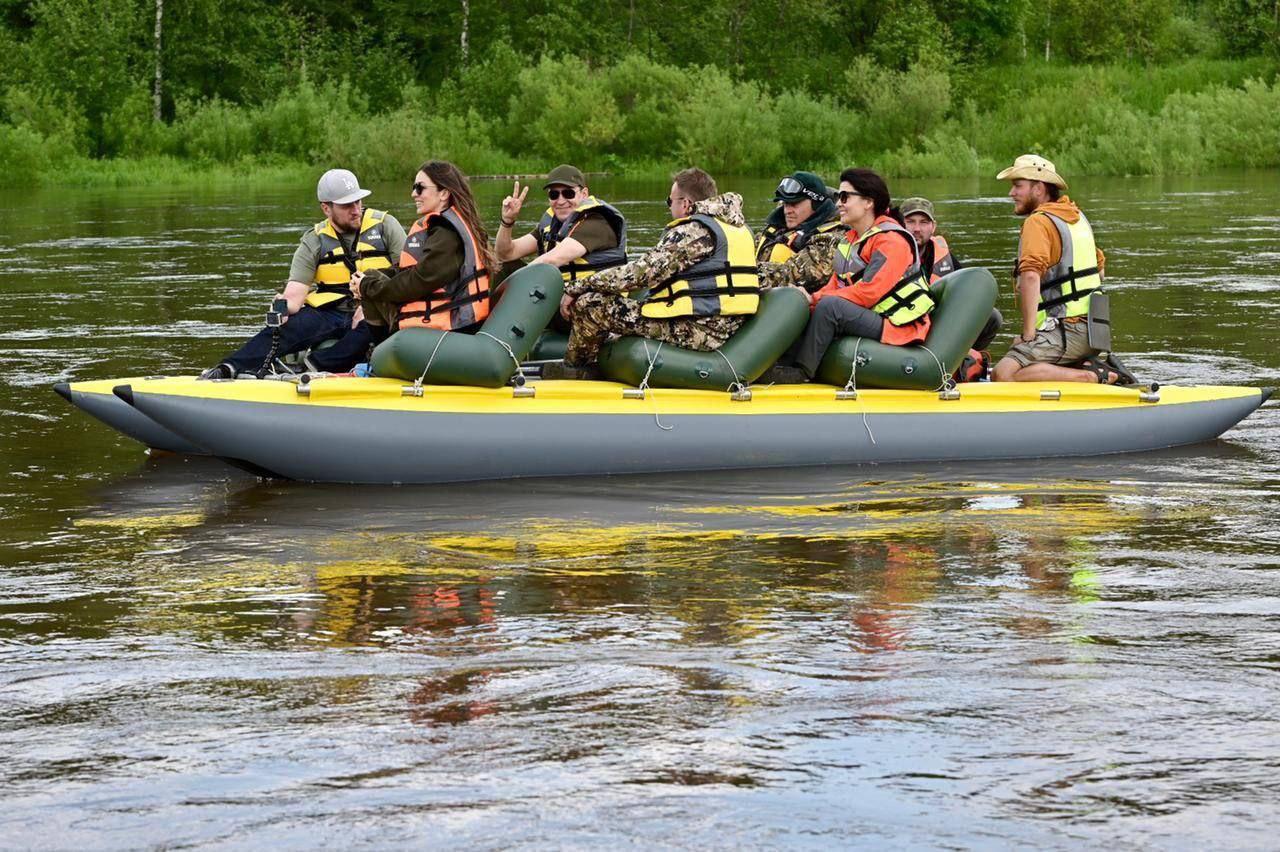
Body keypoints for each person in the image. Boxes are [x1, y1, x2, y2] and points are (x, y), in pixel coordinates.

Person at [551, 167, 760, 377]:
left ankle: (574, 372)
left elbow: (639, 274)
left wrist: (578, 286)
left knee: (591, 304)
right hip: (724, 327)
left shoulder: (693, 231)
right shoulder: (739, 230)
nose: (669, 208)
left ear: (685, 204)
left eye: (670, 202)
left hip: (697, 330)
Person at [199, 169, 406, 379]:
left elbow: (408, 277)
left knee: (367, 331)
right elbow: (295, 294)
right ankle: (228, 368)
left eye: (358, 202)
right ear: (326, 208)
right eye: (346, 205)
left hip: (376, 307)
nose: (356, 210)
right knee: (285, 328)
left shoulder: (386, 226)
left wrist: (369, 306)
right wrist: (282, 306)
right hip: (330, 313)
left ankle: (311, 368)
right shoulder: (314, 240)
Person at [786, 168, 936, 381]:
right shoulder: (851, 239)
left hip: (896, 325)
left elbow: (869, 293)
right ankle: (782, 363)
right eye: (838, 197)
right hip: (872, 316)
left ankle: (802, 374)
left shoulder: (891, 241)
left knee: (830, 307)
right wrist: (807, 299)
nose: (838, 203)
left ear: (868, 202)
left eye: (845, 197)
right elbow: (834, 285)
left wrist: (817, 299)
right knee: (811, 303)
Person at [990, 154, 1121, 384]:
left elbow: (1030, 277)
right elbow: (1099, 272)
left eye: (1018, 186)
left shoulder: (1038, 222)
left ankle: (1091, 376)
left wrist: (1028, 336)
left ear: (1038, 188)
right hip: (1095, 330)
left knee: (1003, 373)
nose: (1011, 193)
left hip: (1068, 330)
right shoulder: (1076, 217)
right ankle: (1083, 368)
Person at [349, 160, 493, 340]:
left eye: (420, 188)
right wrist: (364, 280)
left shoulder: (448, 234)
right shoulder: (444, 226)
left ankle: (381, 352)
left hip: (453, 325)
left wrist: (367, 287)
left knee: (370, 285)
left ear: (444, 193)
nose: (413, 194)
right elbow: (409, 270)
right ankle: (380, 354)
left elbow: (419, 280)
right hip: (446, 317)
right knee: (369, 276)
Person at [901, 196, 1004, 374]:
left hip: (938, 320)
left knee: (992, 316)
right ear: (900, 225)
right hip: (905, 320)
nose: (917, 229)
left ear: (933, 226)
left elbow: (966, 290)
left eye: (924, 222)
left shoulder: (944, 256)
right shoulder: (890, 251)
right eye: (910, 222)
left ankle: (963, 361)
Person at [495, 164, 627, 285]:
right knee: (500, 266)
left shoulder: (596, 223)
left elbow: (552, 260)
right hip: (558, 293)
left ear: (584, 194)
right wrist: (507, 221)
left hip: (590, 297)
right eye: (554, 194)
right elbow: (505, 254)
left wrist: (512, 285)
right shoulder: (551, 225)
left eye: (568, 193)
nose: (561, 201)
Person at [755, 171, 843, 265]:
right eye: (785, 204)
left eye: (794, 204)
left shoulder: (830, 240)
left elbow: (787, 275)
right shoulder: (776, 228)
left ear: (815, 204)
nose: (787, 211)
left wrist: (748, 271)